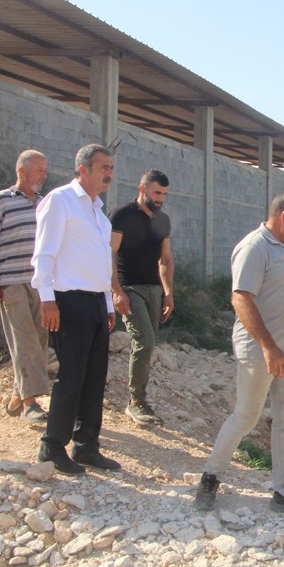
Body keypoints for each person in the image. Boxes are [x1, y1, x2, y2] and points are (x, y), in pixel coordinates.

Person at [194, 191, 284, 512]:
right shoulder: (255, 247)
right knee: (246, 416)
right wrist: (269, 347)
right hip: (262, 352)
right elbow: (241, 298)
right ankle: (210, 477)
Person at [30, 143, 120, 476]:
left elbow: (101, 262)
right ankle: (52, 447)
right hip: (68, 301)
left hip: (95, 302)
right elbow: (44, 253)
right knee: (72, 376)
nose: (109, 174)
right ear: (83, 169)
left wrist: (107, 302)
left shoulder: (97, 211)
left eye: (111, 168)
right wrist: (47, 298)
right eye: (103, 167)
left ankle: (86, 445)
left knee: (94, 377)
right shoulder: (61, 201)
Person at [0, 150, 51, 422]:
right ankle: (31, 404)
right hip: (11, 282)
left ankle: (18, 395)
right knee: (24, 340)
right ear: (22, 171)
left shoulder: (45, 203)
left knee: (40, 341)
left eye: (45, 170)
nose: (44, 175)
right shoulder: (1, 200)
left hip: (41, 284)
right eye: (39, 170)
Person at [110, 169, 175, 426]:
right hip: (130, 288)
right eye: (157, 193)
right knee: (144, 340)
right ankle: (136, 401)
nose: (160, 199)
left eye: (164, 194)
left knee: (148, 343)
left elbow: (166, 259)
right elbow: (109, 253)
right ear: (142, 189)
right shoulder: (122, 215)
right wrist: (116, 290)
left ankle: (140, 397)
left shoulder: (163, 220)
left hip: (154, 289)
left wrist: (168, 293)